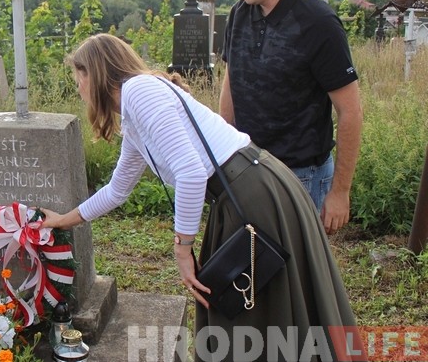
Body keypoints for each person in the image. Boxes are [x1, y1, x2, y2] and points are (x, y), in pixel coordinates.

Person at [40, 34, 359, 361]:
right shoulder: (134, 115)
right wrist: (63, 220)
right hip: (245, 190)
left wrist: (182, 249)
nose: (78, 88)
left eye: (77, 77)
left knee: (247, 304)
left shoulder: (139, 91)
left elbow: (190, 172)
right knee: (250, 305)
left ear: (92, 73)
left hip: (252, 193)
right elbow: (117, 190)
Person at [216, 0, 362, 235]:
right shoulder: (239, 15)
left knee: (299, 280)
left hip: (302, 177)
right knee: (254, 270)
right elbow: (232, 81)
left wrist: (340, 193)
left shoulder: (318, 23)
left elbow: (350, 112)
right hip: (247, 167)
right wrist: (221, 153)